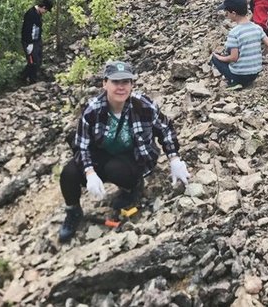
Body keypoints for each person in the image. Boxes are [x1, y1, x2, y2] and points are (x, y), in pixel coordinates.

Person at [58, 60, 190, 243]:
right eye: (115, 82)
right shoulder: (92, 110)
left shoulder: (143, 105)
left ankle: (131, 189)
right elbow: (82, 145)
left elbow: (165, 128)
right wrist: (89, 173)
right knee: (69, 173)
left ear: (132, 84)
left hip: (133, 155)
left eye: (125, 82)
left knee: (116, 169)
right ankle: (73, 211)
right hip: (101, 153)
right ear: (105, 83)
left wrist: (174, 158)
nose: (121, 87)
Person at [211, 0, 268, 88]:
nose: (226, 14)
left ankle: (234, 82)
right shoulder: (257, 28)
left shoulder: (234, 32)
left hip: (240, 75)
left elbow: (233, 58)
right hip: (255, 74)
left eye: (226, 12)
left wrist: (220, 58)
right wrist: (260, 54)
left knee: (215, 58)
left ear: (233, 13)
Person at [21, 0, 52, 83]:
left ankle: (26, 77)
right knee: (33, 62)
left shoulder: (38, 14)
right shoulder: (31, 14)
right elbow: (26, 30)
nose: (45, 13)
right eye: (46, 10)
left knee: (38, 60)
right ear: (43, 7)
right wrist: (29, 44)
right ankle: (30, 80)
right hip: (29, 41)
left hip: (37, 40)